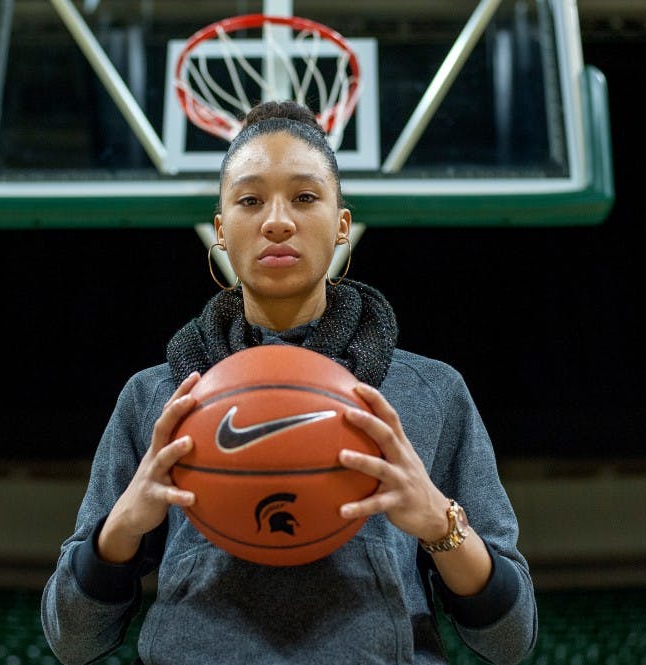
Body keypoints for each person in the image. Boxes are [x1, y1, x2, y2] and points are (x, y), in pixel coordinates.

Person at [42, 101, 537, 665]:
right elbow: (73, 639)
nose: (278, 220)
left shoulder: (429, 391)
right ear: (222, 230)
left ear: (342, 224)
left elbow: (509, 638)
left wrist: (438, 523)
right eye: (250, 200)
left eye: (305, 197)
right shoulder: (158, 398)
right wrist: (121, 529)